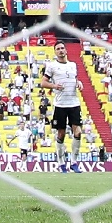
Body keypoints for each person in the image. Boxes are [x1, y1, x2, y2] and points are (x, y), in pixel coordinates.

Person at [39, 42, 84, 172]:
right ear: (55, 52)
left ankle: (74, 162)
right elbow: (43, 82)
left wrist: (79, 83)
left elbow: (74, 79)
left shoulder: (73, 65)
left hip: (74, 103)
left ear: (66, 50)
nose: (60, 50)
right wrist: (54, 86)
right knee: (61, 134)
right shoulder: (52, 66)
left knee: (78, 132)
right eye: (57, 49)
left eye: (62, 48)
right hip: (60, 105)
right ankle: (61, 163)